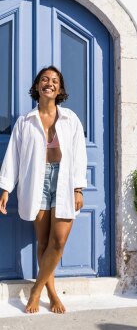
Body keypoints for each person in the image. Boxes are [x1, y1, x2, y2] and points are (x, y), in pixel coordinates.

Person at [0, 66, 87, 314]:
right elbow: (13, 157)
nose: (50, 83)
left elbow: (79, 155)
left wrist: (78, 188)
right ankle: (51, 292)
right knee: (43, 242)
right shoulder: (25, 122)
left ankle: (36, 289)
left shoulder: (70, 119)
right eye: (45, 79)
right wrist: (6, 188)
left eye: (55, 81)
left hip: (64, 181)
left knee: (57, 242)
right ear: (38, 86)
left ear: (60, 89)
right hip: (37, 181)